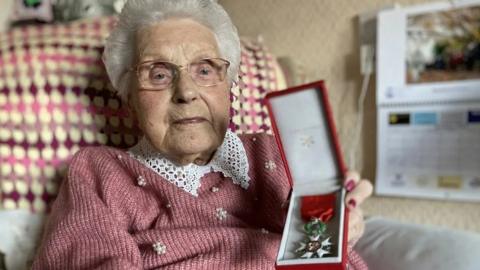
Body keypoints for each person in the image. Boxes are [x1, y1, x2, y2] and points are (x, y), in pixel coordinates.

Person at [32, 0, 372, 269]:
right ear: (130, 98)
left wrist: (344, 223)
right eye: (159, 73)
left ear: (228, 86)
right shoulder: (99, 172)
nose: (187, 92)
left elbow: (323, 250)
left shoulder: (277, 152)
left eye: (205, 69)